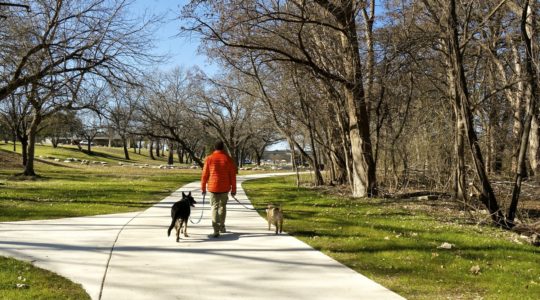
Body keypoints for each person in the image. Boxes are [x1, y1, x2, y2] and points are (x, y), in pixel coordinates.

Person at [201, 140, 237, 238]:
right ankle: (222, 226)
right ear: (223, 148)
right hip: (225, 187)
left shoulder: (209, 159)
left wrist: (203, 188)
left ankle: (215, 229)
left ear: (214, 148)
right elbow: (232, 176)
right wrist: (234, 190)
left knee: (214, 207)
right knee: (222, 207)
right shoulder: (228, 159)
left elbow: (204, 175)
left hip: (212, 187)